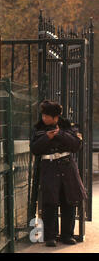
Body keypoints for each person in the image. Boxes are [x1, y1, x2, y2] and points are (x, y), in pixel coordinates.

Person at [30, 100, 87, 247]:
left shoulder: (68, 127)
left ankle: (67, 234)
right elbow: (34, 149)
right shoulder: (38, 129)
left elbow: (76, 145)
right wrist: (47, 138)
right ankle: (51, 236)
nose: (44, 118)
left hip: (67, 167)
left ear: (55, 117)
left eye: (47, 115)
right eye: (43, 115)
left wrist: (59, 134)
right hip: (49, 167)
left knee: (69, 201)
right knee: (50, 202)